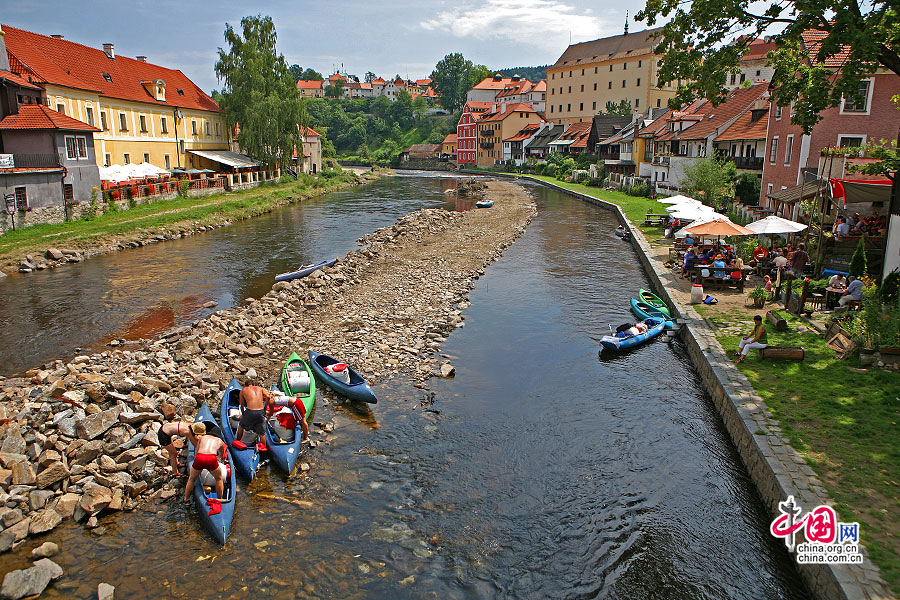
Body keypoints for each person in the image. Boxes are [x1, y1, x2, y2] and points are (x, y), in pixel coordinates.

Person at [183, 422, 227, 502]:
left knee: (191, 479)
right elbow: (221, 454)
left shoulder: (203, 438)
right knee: (219, 478)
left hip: (200, 457)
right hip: (211, 458)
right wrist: (218, 458)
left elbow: (196, 450)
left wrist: (196, 462)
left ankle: (186, 499)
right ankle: (220, 499)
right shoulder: (220, 441)